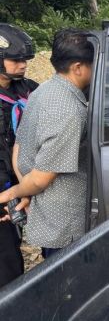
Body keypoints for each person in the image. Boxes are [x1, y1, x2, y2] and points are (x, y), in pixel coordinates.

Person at [0, 29, 94, 258]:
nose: (22, 65)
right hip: (63, 225)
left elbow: (18, 146)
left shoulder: (41, 90)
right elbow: (42, 178)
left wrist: (25, 187)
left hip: (48, 213)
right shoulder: (67, 110)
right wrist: (14, 192)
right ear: (78, 67)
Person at [0, 24, 37, 287]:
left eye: (24, 60)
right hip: (4, 189)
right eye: (16, 59)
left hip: (23, 183)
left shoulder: (27, 89)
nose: (22, 64)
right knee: (7, 261)